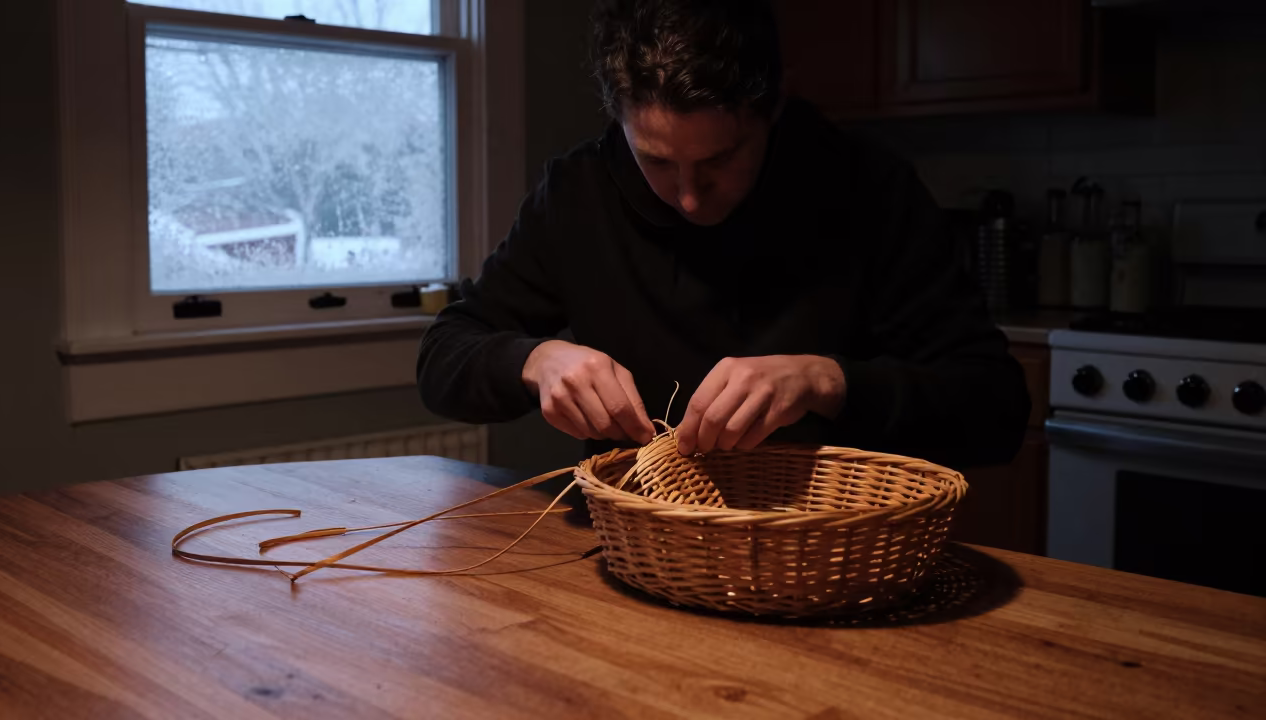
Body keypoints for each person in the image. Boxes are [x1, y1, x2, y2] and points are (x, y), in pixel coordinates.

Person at [417, 0, 1030, 470]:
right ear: (619, 118)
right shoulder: (579, 192)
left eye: (721, 160)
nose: (688, 196)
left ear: (774, 107)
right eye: (655, 161)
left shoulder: (867, 188)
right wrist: (534, 359)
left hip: (821, 559)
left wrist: (826, 381)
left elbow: (995, 408)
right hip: (641, 553)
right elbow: (444, 355)